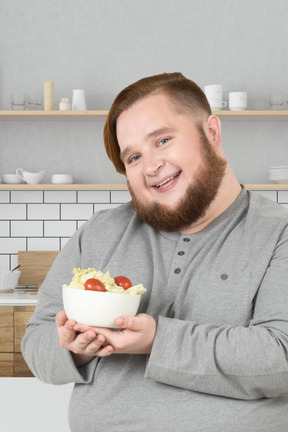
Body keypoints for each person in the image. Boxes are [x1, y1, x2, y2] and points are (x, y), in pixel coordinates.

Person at [22, 72, 288, 432]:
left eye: (162, 140)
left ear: (212, 133)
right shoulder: (101, 233)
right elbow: (37, 342)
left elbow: (280, 358)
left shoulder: (278, 232)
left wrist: (157, 340)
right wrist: (77, 348)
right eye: (133, 157)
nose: (150, 167)